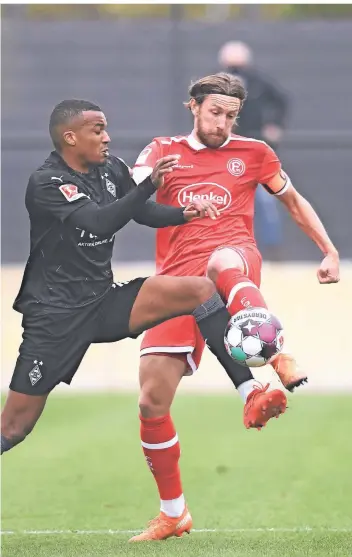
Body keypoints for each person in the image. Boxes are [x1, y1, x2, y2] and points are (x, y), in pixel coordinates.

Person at [129, 73, 340, 542]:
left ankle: (273, 353)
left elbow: (292, 200)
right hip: (175, 286)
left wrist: (328, 249)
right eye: (214, 113)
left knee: (221, 259)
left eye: (230, 116)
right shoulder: (162, 150)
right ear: (193, 107)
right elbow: (130, 190)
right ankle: (173, 513)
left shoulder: (255, 154)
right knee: (150, 401)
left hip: (235, 263)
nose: (222, 123)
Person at [1, 99, 272, 457]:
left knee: (200, 290)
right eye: (97, 130)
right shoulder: (47, 182)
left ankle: (248, 391)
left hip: (103, 302)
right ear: (70, 137)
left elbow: (142, 212)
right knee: (15, 427)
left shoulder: (109, 168)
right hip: (56, 316)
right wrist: (147, 186)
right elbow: (99, 222)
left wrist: (183, 213)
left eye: (106, 128)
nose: (107, 137)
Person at [218, 40, 289, 261]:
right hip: (225, 150)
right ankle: (222, 246)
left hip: (254, 150)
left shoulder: (258, 82)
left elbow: (281, 100)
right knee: (222, 197)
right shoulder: (215, 83)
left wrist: (274, 126)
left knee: (266, 199)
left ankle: (272, 250)